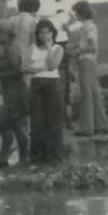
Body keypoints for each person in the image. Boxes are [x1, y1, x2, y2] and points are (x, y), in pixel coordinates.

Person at [0, 0, 40, 165]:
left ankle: (21, 156)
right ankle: (10, 156)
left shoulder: (11, 48)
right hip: (15, 82)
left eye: (1, 36)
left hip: (14, 83)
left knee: (15, 120)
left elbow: (16, 70)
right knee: (10, 121)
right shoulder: (29, 26)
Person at [27, 19, 66, 163]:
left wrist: (49, 48)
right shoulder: (32, 48)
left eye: (48, 32)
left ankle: (54, 156)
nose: (45, 36)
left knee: (54, 120)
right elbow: (24, 68)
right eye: (41, 33)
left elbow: (52, 65)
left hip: (52, 83)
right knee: (37, 121)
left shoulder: (58, 48)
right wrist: (40, 69)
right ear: (37, 34)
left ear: (52, 33)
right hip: (36, 83)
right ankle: (38, 157)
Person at [69, 0, 108, 137]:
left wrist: (76, 50)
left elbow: (91, 45)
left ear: (81, 13)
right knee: (94, 91)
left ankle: (87, 127)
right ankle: (101, 124)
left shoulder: (85, 27)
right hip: (91, 60)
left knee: (86, 92)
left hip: (86, 59)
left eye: (76, 13)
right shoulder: (90, 25)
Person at [39, 0, 75, 120]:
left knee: (63, 76)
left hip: (61, 40)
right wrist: (55, 11)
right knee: (47, 72)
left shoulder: (68, 2)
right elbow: (40, 15)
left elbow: (76, 18)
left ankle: (65, 113)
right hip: (47, 39)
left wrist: (69, 27)